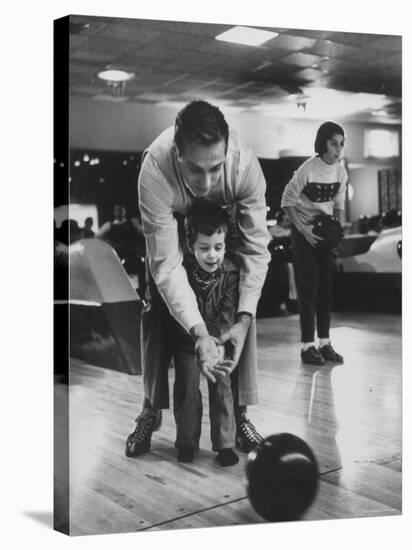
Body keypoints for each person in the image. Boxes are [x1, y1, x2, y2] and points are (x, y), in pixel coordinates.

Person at [125, 100, 271, 458]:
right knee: (155, 308)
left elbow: (255, 251)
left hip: (219, 232)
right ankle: (150, 410)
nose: (205, 183)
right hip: (176, 236)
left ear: (227, 153)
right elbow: (166, 267)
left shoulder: (245, 168)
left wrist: (243, 319)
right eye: (195, 170)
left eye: (215, 169)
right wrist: (199, 332)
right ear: (177, 154)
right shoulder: (155, 171)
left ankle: (240, 417)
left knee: (241, 310)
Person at [171, 199, 240, 466]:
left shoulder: (231, 273)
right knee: (187, 388)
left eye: (218, 248)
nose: (212, 255)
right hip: (187, 342)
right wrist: (197, 339)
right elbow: (178, 306)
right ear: (190, 247)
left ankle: (225, 444)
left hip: (219, 342)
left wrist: (219, 342)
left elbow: (229, 311)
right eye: (204, 248)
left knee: (222, 385)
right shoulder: (182, 271)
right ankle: (187, 443)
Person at [281, 121, 348, 366]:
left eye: (341, 144)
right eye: (333, 143)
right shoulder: (307, 169)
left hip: (324, 235)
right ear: (323, 144)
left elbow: (339, 207)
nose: (338, 149)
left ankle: (324, 343)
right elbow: (287, 201)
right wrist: (303, 230)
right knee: (308, 289)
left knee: (325, 290)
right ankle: (307, 347)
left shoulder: (341, 172)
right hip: (303, 234)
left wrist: (337, 235)